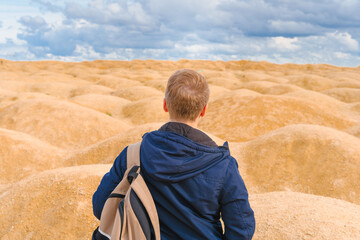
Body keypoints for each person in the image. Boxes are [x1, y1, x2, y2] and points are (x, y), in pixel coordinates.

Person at [92, 69, 256, 239]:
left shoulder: (132, 156)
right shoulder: (223, 166)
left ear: (165, 105)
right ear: (203, 110)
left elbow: (101, 207)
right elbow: (241, 228)